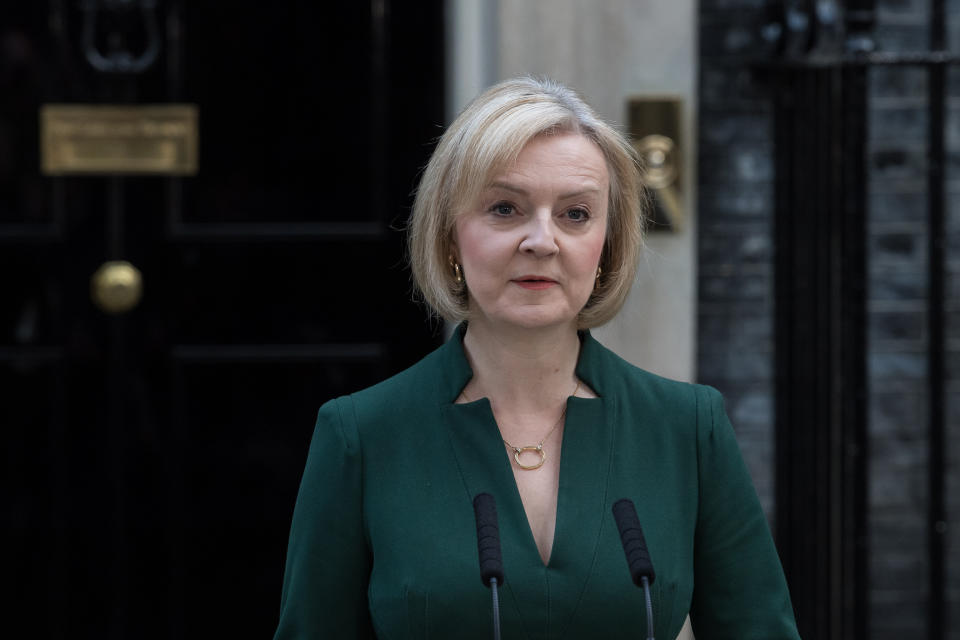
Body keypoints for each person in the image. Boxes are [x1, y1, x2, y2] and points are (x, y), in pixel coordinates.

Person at [274, 77, 801, 639]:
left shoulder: (687, 427)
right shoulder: (361, 435)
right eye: (505, 208)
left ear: (607, 246)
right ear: (451, 237)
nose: (542, 241)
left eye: (575, 214)